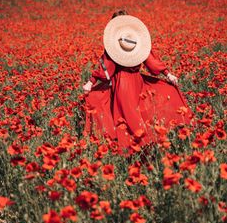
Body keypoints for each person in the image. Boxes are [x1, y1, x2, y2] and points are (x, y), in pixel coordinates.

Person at [82, 9, 193, 154]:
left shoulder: (115, 45)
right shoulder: (137, 42)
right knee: (138, 113)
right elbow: (152, 62)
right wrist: (168, 74)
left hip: (122, 83)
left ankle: (134, 148)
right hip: (137, 80)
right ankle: (144, 148)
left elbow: (106, 68)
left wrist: (91, 82)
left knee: (127, 117)